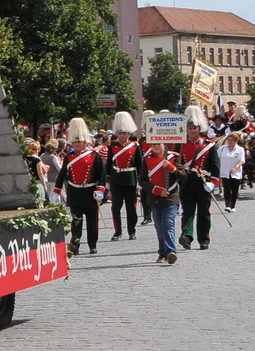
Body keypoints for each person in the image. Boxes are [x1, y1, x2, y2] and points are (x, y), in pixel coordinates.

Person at [57, 118, 104, 256]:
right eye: (75, 142)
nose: (77, 144)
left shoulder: (95, 156)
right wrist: (57, 190)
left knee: (92, 222)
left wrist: (100, 189)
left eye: (80, 141)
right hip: (74, 192)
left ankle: (92, 244)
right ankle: (75, 244)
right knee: (76, 222)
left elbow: (101, 174)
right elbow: (62, 173)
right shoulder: (69, 156)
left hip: (90, 191)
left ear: (85, 142)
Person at [177, 106, 220, 249]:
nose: (192, 131)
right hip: (187, 182)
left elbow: (215, 167)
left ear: (199, 128)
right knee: (187, 211)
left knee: (204, 213)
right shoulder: (180, 145)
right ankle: (186, 236)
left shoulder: (209, 146)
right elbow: (177, 164)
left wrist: (213, 183)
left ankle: (204, 239)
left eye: (194, 128)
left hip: (203, 182)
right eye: (189, 128)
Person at [139, 137, 182, 264]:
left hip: (171, 196)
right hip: (154, 197)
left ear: (164, 145)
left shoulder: (173, 157)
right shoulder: (147, 159)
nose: (156, 146)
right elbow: (142, 180)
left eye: (158, 144)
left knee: (168, 224)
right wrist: (156, 190)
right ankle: (162, 252)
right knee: (159, 227)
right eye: (153, 144)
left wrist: (172, 168)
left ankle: (170, 251)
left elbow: (183, 175)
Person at [105, 113, 141, 241]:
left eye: (124, 133)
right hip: (116, 180)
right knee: (116, 207)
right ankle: (118, 231)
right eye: (120, 133)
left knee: (131, 207)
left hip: (130, 179)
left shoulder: (135, 146)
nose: (122, 135)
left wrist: (139, 183)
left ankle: (132, 230)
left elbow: (139, 165)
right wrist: (107, 183)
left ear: (128, 133)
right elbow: (109, 165)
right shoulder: (112, 147)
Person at [217, 132, 246, 211]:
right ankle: (227, 205)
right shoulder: (222, 148)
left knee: (234, 190)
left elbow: (242, 160)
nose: (230, 142)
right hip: (225, 171)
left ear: (236, 141)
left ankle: (233, 206)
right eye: (228, 140)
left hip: (235, 172)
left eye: (232, 140)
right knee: (226, 189)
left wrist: (236, 167)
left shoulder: (240, 149)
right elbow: (216, 157)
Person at [37, 140, 61, 205]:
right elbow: (59, 169)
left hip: (46, 178)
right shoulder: (53, 157)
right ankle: (55, 205)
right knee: (55, 194)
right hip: (54, 178)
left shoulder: (42, 155)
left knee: (49, 193)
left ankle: (50, 205)